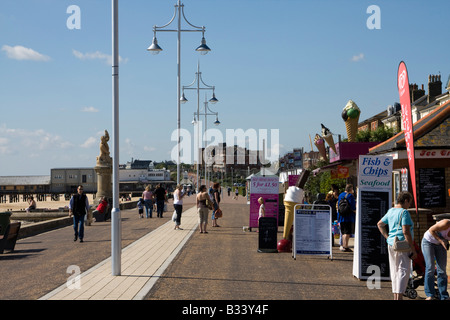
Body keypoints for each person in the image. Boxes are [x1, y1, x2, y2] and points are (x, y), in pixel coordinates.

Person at [377, 191, 417, 300]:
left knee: (394, 270)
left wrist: (387, 237)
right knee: (403, 271)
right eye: (410, 202)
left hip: (391, 244)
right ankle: (399, 297)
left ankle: (396, 296)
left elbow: (380, 224)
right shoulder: (404, 212)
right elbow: (406, 231)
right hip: (403, 245)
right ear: (405, 201)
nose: (410, 205)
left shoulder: (391, 211)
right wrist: (413, 249)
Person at [421, 218, 450, 300]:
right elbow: (431, 230)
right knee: (430, 268)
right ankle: (430, 295)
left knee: (442, 270)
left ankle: (444, 296)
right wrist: (441, 241)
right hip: (428, 242)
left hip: (441, 244)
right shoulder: (446, 223)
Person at [337, 184, 356, 252]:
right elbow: (353, 206)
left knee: (343, 232)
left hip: (341, 216)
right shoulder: (350, 196)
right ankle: (346, 246)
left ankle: (343, 245)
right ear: (350, 189)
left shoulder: (340, 195)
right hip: (348, 216)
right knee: (347, 232)